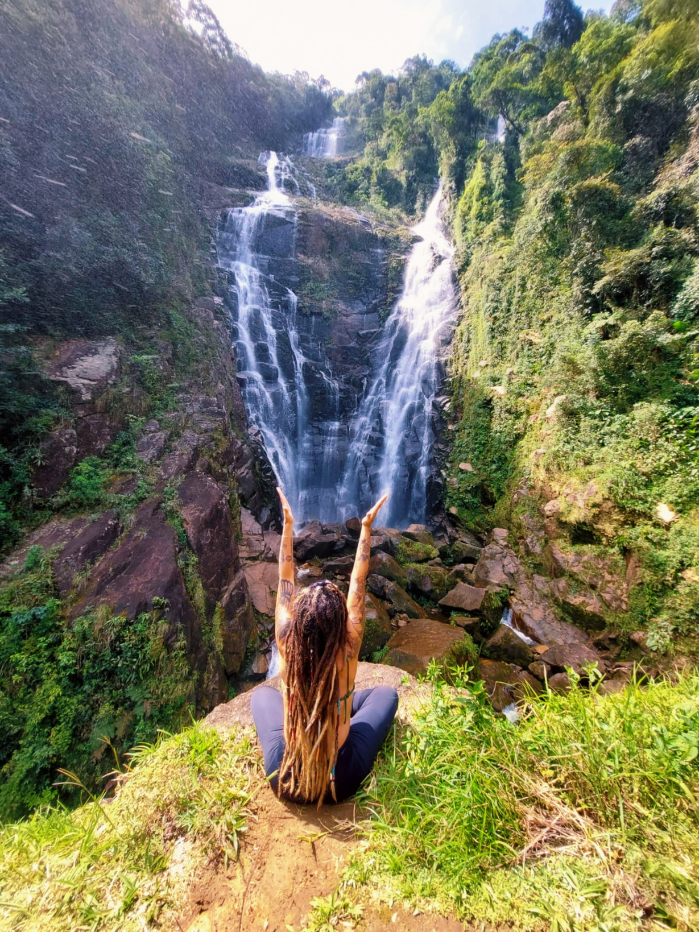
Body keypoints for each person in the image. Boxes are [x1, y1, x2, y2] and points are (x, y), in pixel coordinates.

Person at [250, 488, 399, 806]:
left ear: (299, 623)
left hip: (286, 775)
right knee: (386, 694)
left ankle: (319, 708)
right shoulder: (349, 650)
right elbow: (358, 583)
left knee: (263, 694)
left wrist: (288, 527)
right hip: (339, 778)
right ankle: (339, 707)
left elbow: (285, 578)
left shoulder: (287, 641)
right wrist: (366, 529)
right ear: (340, 625)